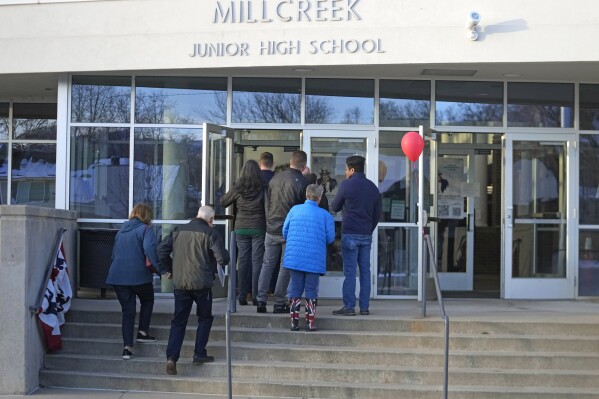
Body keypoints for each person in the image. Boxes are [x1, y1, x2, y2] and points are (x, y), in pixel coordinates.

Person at [157, 206, 230, 376]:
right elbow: (223, 258)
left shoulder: (178, 230)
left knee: (178, 321)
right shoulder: (211, 233)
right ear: (210, 220)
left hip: (181, 284)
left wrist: (170, 268)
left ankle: (171, 358)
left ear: (197, 215)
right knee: (205, 318)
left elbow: (161, 250)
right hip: (202, 285)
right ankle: (199, 353)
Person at [105, 203, 167, 360]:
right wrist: (161, 271)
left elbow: (113, 255)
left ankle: (127, 348)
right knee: (147, 300)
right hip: (138, 276)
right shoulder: (146, 230)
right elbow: (150, 252)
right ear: (147, 216)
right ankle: (142, 332)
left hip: (118, 277)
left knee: (128, 311)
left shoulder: (121, 231)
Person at [255, 150, 308, 314]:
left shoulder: (274, 178)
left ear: (291, 161)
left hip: (271, 227)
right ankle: (279, 302)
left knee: (267, 264)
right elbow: (303, 209)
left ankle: (261, 300)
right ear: (304, 165)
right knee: (285, 266)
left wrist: (268, 221)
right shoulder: (301, 182)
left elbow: (267, 202)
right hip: (289, 230)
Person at [331, 155, 381, 316]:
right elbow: (377, 214)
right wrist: (368, 229)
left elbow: (335, 206)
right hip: (366, 234)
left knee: (350, 272)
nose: (345, 172)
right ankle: (365, 307)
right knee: (366, 271)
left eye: (346, 169)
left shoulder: (346, 185)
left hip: (350, 233)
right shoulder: (372, 187)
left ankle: (349, 307)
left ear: (352, 169)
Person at [283, 184, 335, 331]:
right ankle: (310, 323)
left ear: (307, 195)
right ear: (319, 198)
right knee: (311, 290)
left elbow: (284, 231)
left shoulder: (294, 210)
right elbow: (330, 238)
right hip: (314, 258)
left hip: (294, 257)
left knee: (295, 289)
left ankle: (294, 323)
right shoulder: (325, 215)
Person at [220, 159, 267, 306]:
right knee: (257, 262)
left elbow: (223, 202)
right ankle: (255, 296)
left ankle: (241, 295)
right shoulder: (263, 187)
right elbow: (267, 207)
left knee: (243, 261)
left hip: (241, 227)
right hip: (259, 227)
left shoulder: (238, 188)